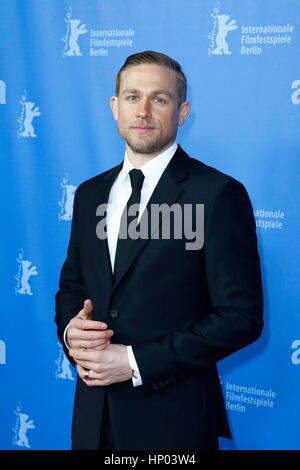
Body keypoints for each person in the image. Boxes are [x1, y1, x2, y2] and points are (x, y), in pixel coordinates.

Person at [55, 50, 264, 451]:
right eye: (133, 97)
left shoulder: (217, 194)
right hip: (92, 419)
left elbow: (241, 317)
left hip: (174, 422)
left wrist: (135, 362)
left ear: (182, 112)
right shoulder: (90, 193)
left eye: (160, 99)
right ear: (115, 107)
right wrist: (72, 331)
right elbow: (72, 287)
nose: (144, 111)